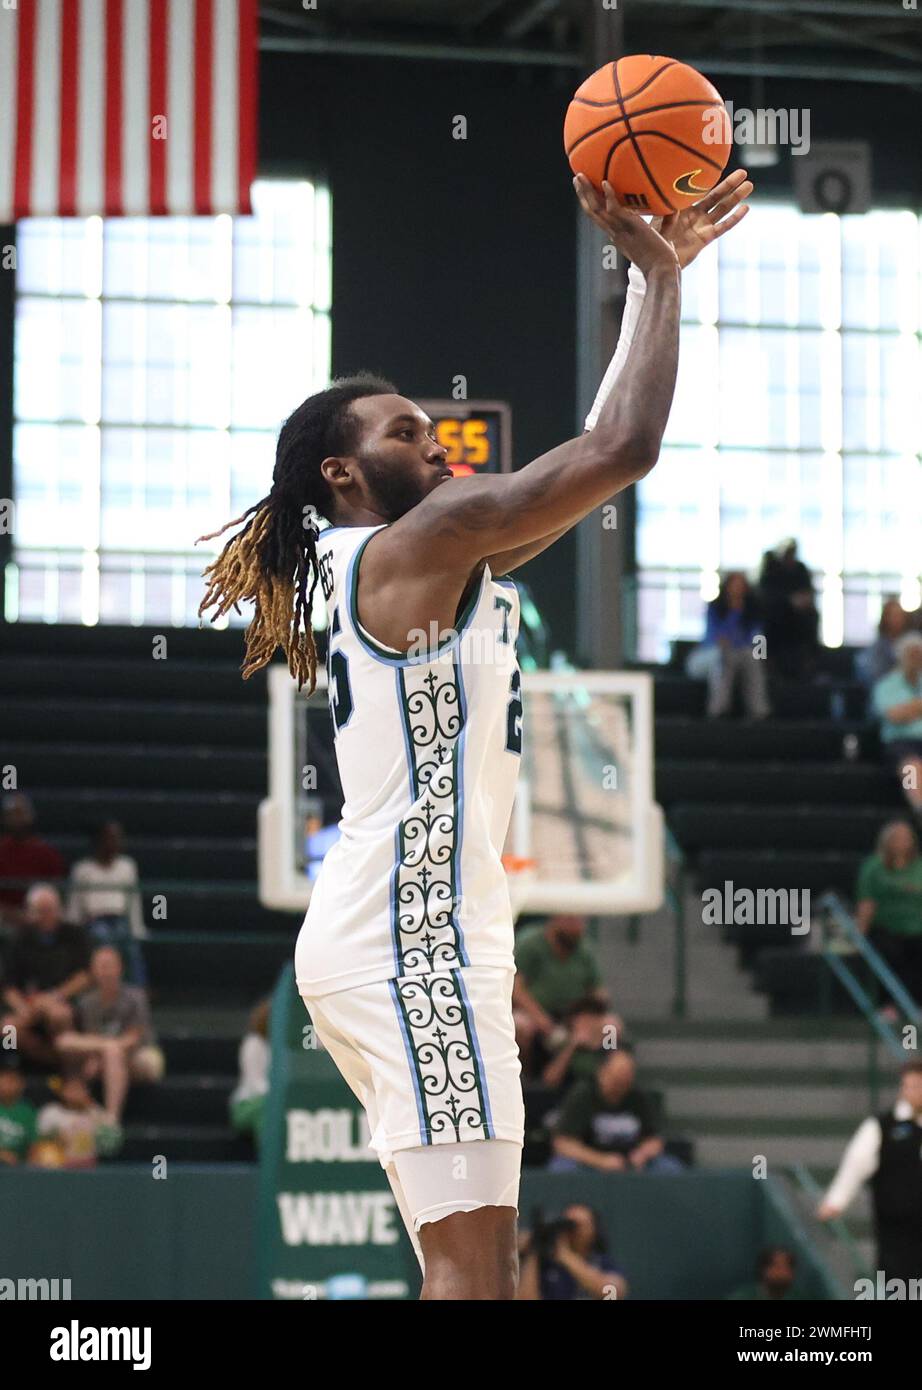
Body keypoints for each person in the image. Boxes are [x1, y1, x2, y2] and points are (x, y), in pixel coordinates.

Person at [197, 168, 752, 1301]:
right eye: (407, 430)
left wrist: (659, 287)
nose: (439, 441)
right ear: (344, 472)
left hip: (417, 941)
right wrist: (651, 274)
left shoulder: (432, 557)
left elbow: (593, 453)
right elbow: (622, 452)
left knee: (479, 1268)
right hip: (412, 942)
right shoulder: (423, 540)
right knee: (474, 1277)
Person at [818, 1061, 922, 1285]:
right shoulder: (881, 1126)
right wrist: (836, 1201)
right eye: (908, 1086)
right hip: (896, 1230)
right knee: (900, 1285)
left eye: (918, 1086)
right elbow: (855, 1164)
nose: (912, 1091)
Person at [56, 946, 164, 1122]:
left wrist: (107, 1049)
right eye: (100, 966)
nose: (105, 971)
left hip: (141, 1055)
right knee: (65, 1041)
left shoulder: (136, 997)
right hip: (106, 1056)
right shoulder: (87, 1003)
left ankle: (111, 1118)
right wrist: (101, 1051)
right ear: (93, 970)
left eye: (109, 965)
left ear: (119, 968)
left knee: (113, 1052)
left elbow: (133, 1038)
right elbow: (91, 1037)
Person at [550, 1048, 684, 1175]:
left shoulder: (637, 1096)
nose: (620, 1088)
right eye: (616, 1081)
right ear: (602, 1073)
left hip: (631, 1164)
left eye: (625, 1082)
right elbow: (562, 1143)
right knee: (561, 1168)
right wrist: (601, 1160)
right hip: (589, 1163)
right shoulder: (583, 1095)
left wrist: (643, 1154)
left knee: (670, 1168)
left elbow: (654, 1139)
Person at [0, 884, 91, 1069]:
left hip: (66, 1003)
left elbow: (84, 977)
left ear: (59, 910)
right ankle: (17, 1073)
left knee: (59, 1015)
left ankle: (72, 1077)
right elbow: (8, 987)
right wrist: (24, 1009)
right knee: (7, 1029)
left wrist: (54, 997)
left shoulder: (74, 934)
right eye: (41, 911)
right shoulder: (20, 939)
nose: (47, 915)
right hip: (30, 1008)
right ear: (31, 913)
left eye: (51, 910)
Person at [513, 916, 609, 1077]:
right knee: (521, 1027)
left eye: (580, 922)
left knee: (611, 1028)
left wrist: (589, 1017)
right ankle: (524, 1080)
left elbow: (599, 992)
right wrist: (545, 1023)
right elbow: (516, 989)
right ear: (556, 920)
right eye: (571, 921)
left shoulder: (584, 949)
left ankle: (604, 1074)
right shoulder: (531, 943)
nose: (577, 928)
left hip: (573, 1016)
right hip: (536, 1016)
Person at [67, 822, 147, 986]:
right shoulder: (82, 869)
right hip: (94, 921)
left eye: (117, 838)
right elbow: (75, 903)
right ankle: (107, 988)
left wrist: (138, 928)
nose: (115, 842)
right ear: (98, 840)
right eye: (110, 838)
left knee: (131, 945)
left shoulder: (127, 866)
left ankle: (138, 989)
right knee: (104, 938)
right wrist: (72, 928)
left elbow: (133, 900)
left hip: (120, 919)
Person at [855, 821, 922, 1010]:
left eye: (906, 838)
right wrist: (859, 934)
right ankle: (889, 1004)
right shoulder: (874, 867)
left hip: (917, 928)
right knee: (891, 952)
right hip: (886, 929)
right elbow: (867, 902)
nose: (901, 843)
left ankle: (915, 1004)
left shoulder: (919, 867)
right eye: (896, 838)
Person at [517, 1203, 629, 1301]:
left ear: (593, 1229)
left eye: (578, 1225)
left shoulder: (601, 1262)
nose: (572, 1231)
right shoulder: (547, 1266)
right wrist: (534, 1249)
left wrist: (565, 1255)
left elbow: (614, 1292)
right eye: (569, 1224)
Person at [701, 571, 770, 718]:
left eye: (741, 585)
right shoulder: (715, 608)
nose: (737, 589)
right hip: (714, 654)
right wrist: (733, 613)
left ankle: (759, 712)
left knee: (754, 660)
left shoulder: (752, 611)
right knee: (723, 658)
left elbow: (758, 637)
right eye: (734, 585)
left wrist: (760, 655)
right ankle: (718, 711)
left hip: (742, 653)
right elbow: (713, 638)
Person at [872, 631, 922, 824]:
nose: (916, 659)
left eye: (919, 654)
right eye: (911, 654)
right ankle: (919, 808)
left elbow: (903, 712)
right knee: (911, 769)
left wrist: (909, 709)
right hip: (901, 744)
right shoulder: (887, 685)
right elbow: (894, 715)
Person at [757, 539, 819, 680]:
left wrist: (802, 602)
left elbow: (808, 594)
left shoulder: (800, 569)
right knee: (759, 635)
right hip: (773, 623)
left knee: (812, 616)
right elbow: (765, 598)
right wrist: (789, 602)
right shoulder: (770, 570)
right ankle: (765, 663)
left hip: (797, 624)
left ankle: (809, 661)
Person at [0, 793, 66, 924]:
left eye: (21, 814)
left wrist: (35, 913)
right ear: (4, 818)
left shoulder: (47, 853)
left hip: (39, 917)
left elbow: (57, 892)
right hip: (4, 917)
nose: (17, 819)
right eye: (12, 814)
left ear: (30, 817)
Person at [34, 1074, 122, 1169]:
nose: (76, 1093)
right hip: (60, 1166)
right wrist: (55, 1137)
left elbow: (112, 1141)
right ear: (62, 1090)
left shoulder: (95, 1112)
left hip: (90, 1166)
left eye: (80, 1088)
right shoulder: (51, 1112)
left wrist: (91, 1108)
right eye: (72, 1088)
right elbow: (40, 1141)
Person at [540, 996, 625, 1091]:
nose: (586, 1024)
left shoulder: (607, 1044)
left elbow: (617, 1072)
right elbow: (550, 1080)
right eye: (581, 1020)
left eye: (591, 1019)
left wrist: (613, 1034)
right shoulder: (564, 1044)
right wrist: (572, 1046)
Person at [229, 996, 271, 1147]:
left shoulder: (286, 1046)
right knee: (267, 1109)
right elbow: (256, 1084)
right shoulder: (254, 1043)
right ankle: (269, 1159)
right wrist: (280, 1094)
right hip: (248, 1103)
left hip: (273, 1099)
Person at [855, 598, 910, 688]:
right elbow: (873, 676)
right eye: (894, 615)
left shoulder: (913, 642)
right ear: (885, 618)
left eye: (900, 615)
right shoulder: (877, 648)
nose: (898, 619)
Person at [0, 1055, 38, 1165]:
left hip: (17, 1170)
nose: (7, 1083)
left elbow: (34, 1144)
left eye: (13, 1079)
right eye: (3, 1077)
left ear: (21, 1083)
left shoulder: (27, 1111)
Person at [726, 1247, 801, 1301]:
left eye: (788, 1268)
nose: (784, 1273)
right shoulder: (742, 1297)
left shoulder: (799, 1297)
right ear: (764, 1270)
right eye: (778, 1267)